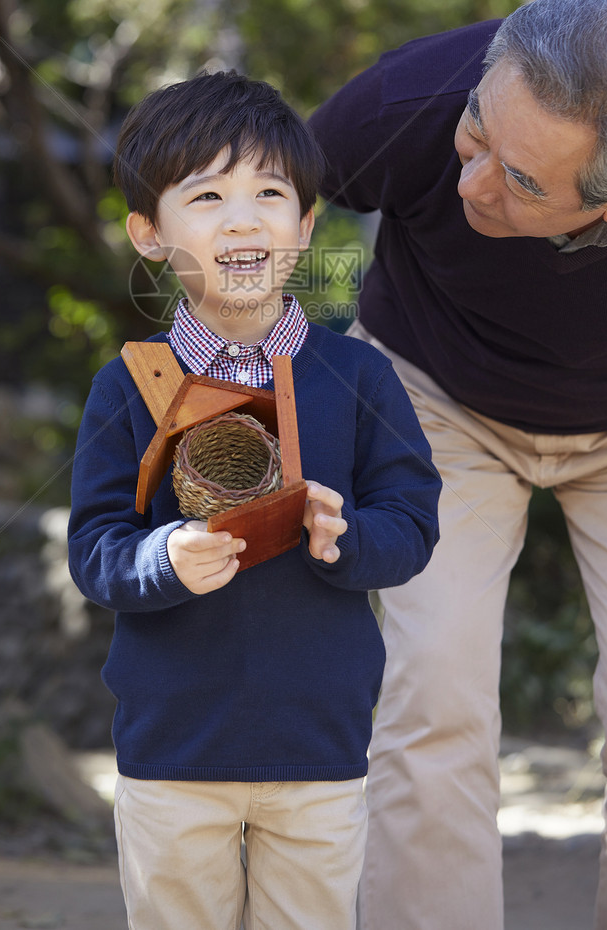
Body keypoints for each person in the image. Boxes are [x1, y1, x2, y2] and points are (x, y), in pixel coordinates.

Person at [310, 0, 607, 930]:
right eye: (479, 137)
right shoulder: (409, 104)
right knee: (430, 687)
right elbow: (269, 206)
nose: (474, 183)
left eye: (521, 182)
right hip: (436, 401)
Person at [68, 69, 440, 930]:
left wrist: (344, 538)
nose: (242, 218)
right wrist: (165, 558)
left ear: (305, 227)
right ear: (150, 234)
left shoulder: (358, 375)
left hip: (321, 746)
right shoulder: (129, 386)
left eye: (269, 192)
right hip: (172, 750)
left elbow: (413, 518)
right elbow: (94, 548)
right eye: (205, 196)